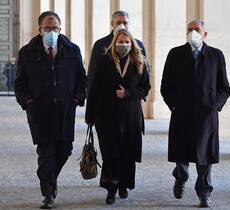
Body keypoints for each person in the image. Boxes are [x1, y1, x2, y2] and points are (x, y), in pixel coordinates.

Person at [14, 11, 87, 209]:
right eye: (48, 28)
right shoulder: (27, 52)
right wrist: (27, 101)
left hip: (65, 110)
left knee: (65, 150)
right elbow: (20, 83)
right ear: (40, 30)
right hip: (40, 111)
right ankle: (48, 194)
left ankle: (49, 180)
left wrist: (77, 98)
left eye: (55, 28)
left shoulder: (72, 50)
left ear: (60, 29)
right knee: (46, 154)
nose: (52, 32)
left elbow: (82, 78)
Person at [160, 20, 230, 208]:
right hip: (181, 113)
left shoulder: (216, 56)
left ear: (205, 34)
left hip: (206, 116)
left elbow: (224, 87)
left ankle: (204, 193)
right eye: (190, 30)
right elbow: (165, 86)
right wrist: (174, 105)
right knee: (182, 154)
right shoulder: (175, 54)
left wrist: (216, 104)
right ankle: (180, 177)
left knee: (204, 157)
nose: (193, 33)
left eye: (197, 30)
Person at [85, 28, 150, 205]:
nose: (123, 45)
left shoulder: (140, 62)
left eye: (127, 42)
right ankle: (111, 188)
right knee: (111, 152)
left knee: (128, 151)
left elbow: (145, 88)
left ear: (132, 44)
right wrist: (89, 116)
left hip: (131, 114)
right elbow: (94, 89)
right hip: (106, 114)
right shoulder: (104, 61)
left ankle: (124, 184)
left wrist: (128, 93)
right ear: (115, 43)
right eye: (120, 42)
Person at [87, 10, 146, 89]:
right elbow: (92, 73)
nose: (122, 25)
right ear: (112, 24)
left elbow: (145, 72)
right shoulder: (100, 44)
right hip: (107, 95)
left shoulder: (138, 45)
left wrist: (142, 97)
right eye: (118, 23)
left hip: (132, 97)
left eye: (125, 23)